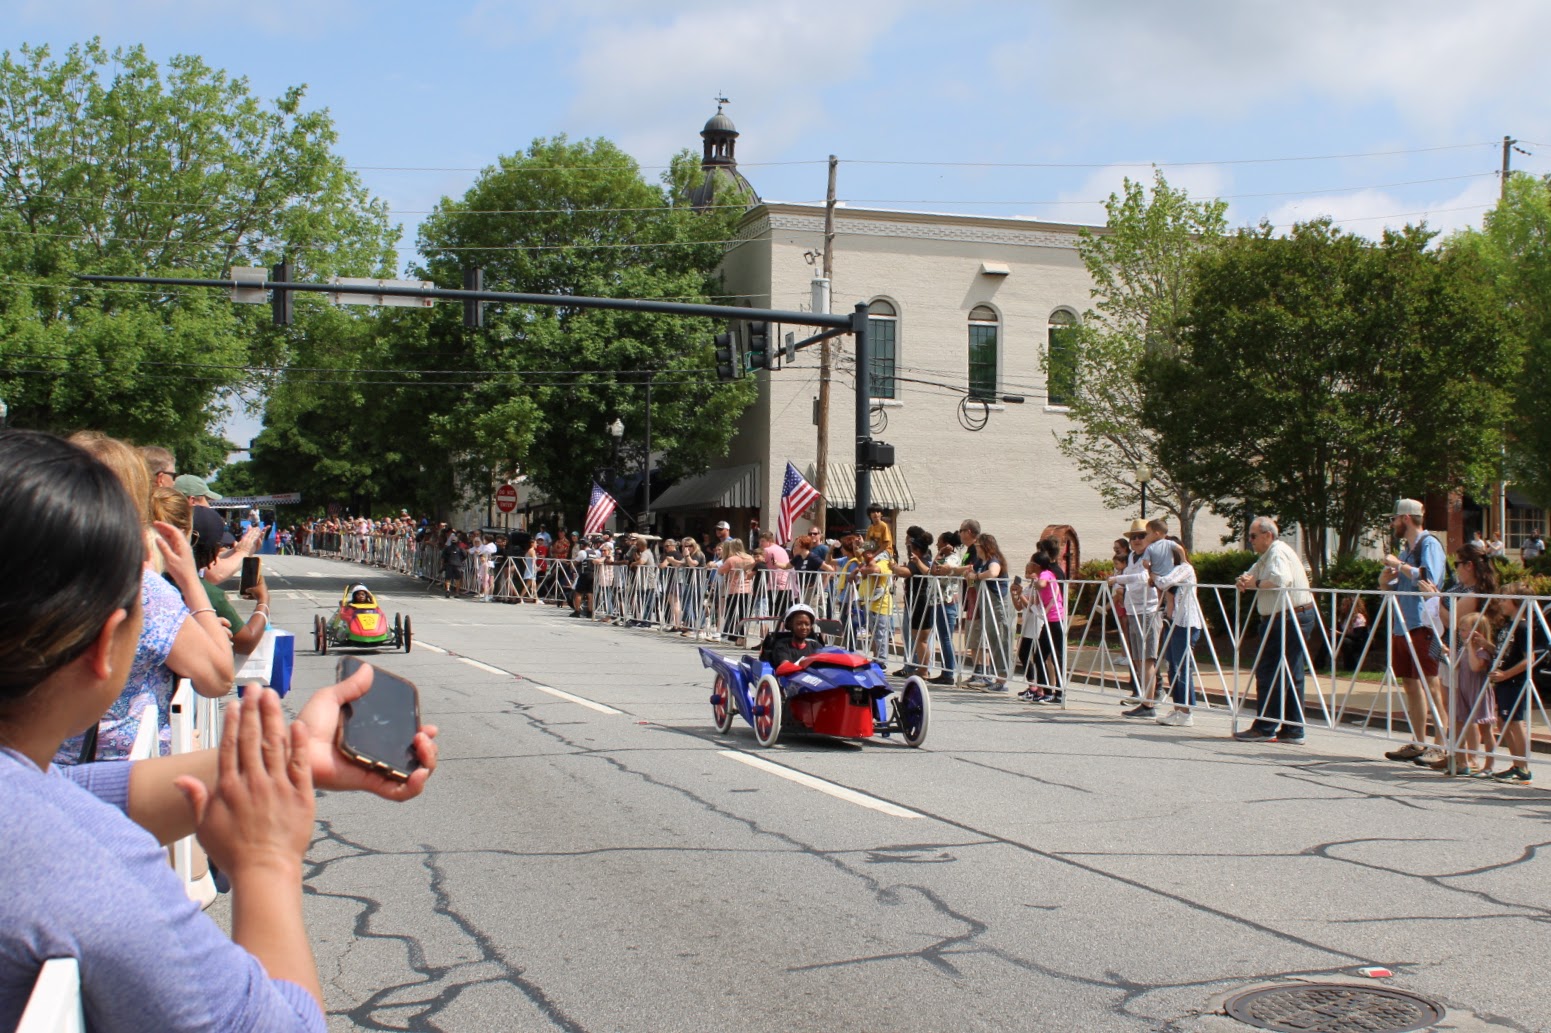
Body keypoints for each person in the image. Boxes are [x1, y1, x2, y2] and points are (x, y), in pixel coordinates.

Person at [0, 429, 440, 1032]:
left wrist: (287, 756)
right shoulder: (91, 868)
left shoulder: (34, 804)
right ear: (105, 645)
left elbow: (72, 798)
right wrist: (265, 862)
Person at [1232, 516, 1316, 744]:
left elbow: (1280, 580)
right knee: (1291, 672)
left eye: (1253, 536)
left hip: (1288, 617)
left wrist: (1256, 584)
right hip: (1290, 616)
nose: (1250, 540)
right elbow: (1251, 574)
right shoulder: (1268, 555)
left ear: (1267, 535)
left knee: (1269, 671)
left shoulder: (1277, 552)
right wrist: (1244, 580)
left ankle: (1265, 727)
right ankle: (1293, 728)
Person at [1378, 498, 1449, 764]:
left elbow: (1430, 578)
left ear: (1406, 518)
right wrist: (1384, 582)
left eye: (1394, 519)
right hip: (1403, 623)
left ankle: (1440, 744)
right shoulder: (1407, 550)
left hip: (1423, 623)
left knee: (1431, 683)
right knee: (1410, 683)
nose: (1392, 524)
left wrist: (1398, 565)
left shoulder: (1429, 544)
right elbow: (1400, 585)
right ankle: (1419, 742)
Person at [1109, 519, 1162, 715]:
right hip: (1133, 609)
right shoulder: (1131, 557)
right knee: (1138, 658)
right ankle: (1143, 697)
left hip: (1148, 610)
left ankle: (1150, 702)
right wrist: (1120, 586)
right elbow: (1128, 579)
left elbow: (1144, 578)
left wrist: (1119, 579)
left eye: (1141, 536)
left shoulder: (1153, 556)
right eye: (1133, 537)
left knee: (1148, 658)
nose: (1137, 540)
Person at [1150, 541, 1203, 727]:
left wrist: (1152, 573)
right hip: (1173, 621)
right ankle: (1178, 708)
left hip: (1186, 623)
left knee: (1182, 667)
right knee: (1172, 666)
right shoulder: (1171, 570)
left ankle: (1186, 711)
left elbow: (1164, 583)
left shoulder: (1184, 568)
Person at [758, 604, 826, 669]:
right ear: (790, 625)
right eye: (799, 624)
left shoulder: (816, 646)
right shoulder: (782, 646)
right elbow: (785, 666)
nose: (803, 627)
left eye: (807, 624)